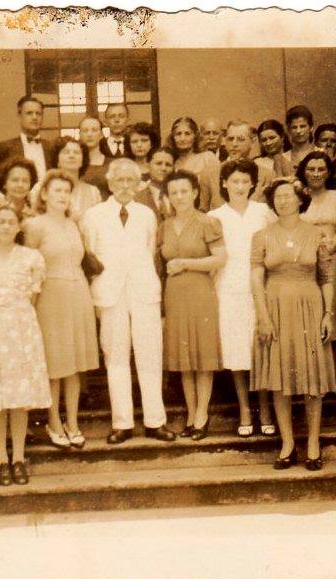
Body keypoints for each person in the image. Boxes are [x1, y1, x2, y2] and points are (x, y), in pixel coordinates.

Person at [81, 158, 175, 444]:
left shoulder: (147, 214)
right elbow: (90, 255)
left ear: (138, 185)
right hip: (109, 293)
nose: (124, 186)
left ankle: (154, 421)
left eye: (130, 181)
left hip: (143, 290)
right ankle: (122, 423)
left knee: (150, 355)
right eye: (119, 181)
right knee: (116, 357)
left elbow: (150, 253)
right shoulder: (94, 215)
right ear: (109, 184)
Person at [251, 178, 335, 471]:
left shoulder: (316, 233)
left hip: (309, 308)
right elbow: (255, 278)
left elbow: (325, 277)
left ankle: (313, 442)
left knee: (312, 378)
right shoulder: (261, 236)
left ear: (300, 199)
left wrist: (328, 314)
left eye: (288, 195)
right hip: (275, 308)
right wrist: (262, 316)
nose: (283, 200)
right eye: (278, 197)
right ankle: (287, 443)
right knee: (279, 376)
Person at [0, 203, 52, 485]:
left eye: (11, 221)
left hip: (21, 328)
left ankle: (18, 457)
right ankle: (1, 458)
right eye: (0, 221)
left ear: (18, 227)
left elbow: (35, 297)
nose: (5, 226)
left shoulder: (31, 257)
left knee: (19, 398)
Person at [24, 170, 100, 449]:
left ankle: (73, 421)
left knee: (75, 365)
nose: (62, 196)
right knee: (55, 363)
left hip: (77, 292)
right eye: (56, 191)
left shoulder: (73, 224)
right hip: (50, 296)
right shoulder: (35, 225)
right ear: (44, 194)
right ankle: (53, 421)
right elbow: (28, 264)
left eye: (67, 192)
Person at [208, 159, 277, 437]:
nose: (239, 186)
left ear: (253, 184)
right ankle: (245, 409)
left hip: (259, 289)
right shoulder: (215, 216)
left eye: (244, 181)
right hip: (227, 289)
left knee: (260, 348)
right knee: (236, 350)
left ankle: (266, 407)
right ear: (224, 183)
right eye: (234, 181)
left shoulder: (264, 212)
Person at [160, 170, 227, 439]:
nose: (179, 197)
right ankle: (190, 414)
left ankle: (202, 415)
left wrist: (186, 264)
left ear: (195, 192)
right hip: (175, 296)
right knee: (184, 359)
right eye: (174, 192)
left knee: (202, 357)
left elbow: (220, 259)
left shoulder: (207, 222)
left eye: (184, 191)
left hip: (200, 294)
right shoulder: (164, 225)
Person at [298, 151, 336, 392]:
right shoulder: (300, 198)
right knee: (313, 313)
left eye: (321, 169)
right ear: (304, 172)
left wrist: (328, 249)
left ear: (328, 172)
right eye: (311, 169)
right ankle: (316, 377)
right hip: (308, 261)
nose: (316, 173)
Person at [41, 137, 102, 223]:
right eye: (66, 152)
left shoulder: (93, 192)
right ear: (57, 160)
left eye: (76, 152)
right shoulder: (43, 188)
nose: (71, 155)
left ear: (82, 161)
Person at [167, 116, 222, 211]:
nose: (182, 138)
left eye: (187, 134)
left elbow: (217, 194)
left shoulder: (207, 158)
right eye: (178, 134)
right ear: (172, 137)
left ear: (195, 136)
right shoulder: (171, 163)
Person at [0, 95, 53, 178]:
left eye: (38, 114)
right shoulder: (4, 148)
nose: (34, 117)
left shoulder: (51, 148)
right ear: (19, 116)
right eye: (29, 113)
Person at [221, 120, 275, 201]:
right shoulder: (209, 174)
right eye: (230, 139)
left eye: (241, 139)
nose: (234, 144)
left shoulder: (266, 175)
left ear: (252, 142)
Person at [135, 147, 175, 221]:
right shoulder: (136, 198)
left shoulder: (179, 195)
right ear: (148, 166)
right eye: (158, 163)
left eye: (168, 165)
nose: (163, 168)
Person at [78, 116, 111, 198]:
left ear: (101, 134)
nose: (89, 134)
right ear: (80, 135)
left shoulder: (112, 164)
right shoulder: (74, 162)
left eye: (94, 130)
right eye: (85, 131)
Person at [282, 105, 316, 172]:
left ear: (311, 127)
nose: (298, 131)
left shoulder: (321, 153)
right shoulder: (284, 157)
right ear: (289, 130)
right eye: (294, 127)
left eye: (302, 126)